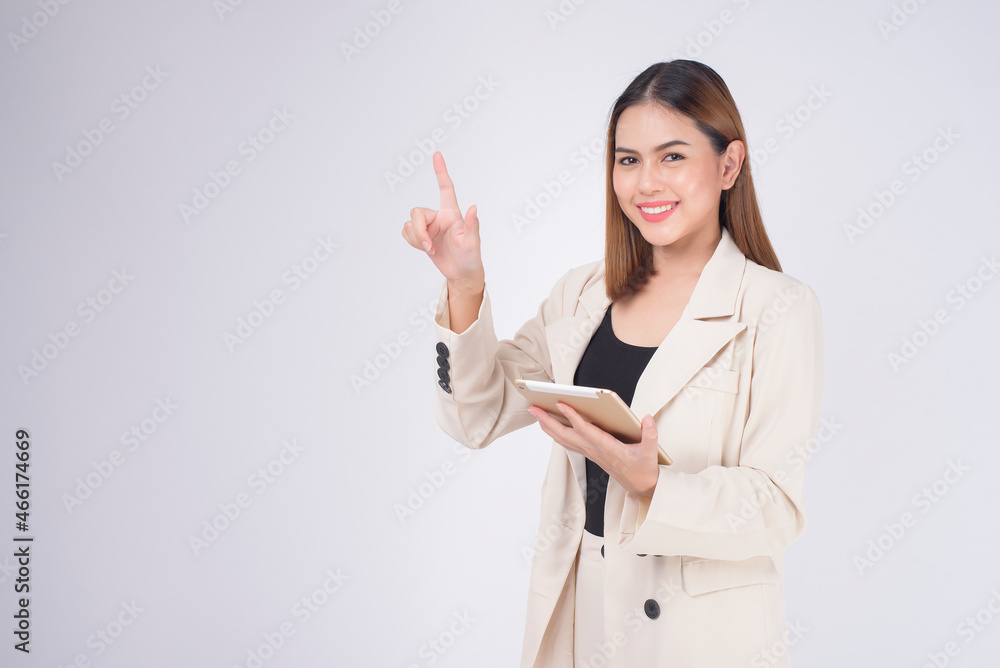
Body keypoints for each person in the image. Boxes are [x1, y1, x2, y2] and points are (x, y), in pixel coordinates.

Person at [401, 60, 823, 668]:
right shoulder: (583, 294)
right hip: (583, 611)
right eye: (628, 160)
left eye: (672, 156)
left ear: (729, 165)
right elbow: (479, 414)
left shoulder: (777, 308)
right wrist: (466, 285)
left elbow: (776, 508)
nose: (646, 182)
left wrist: (653, 482)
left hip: (700, 637)